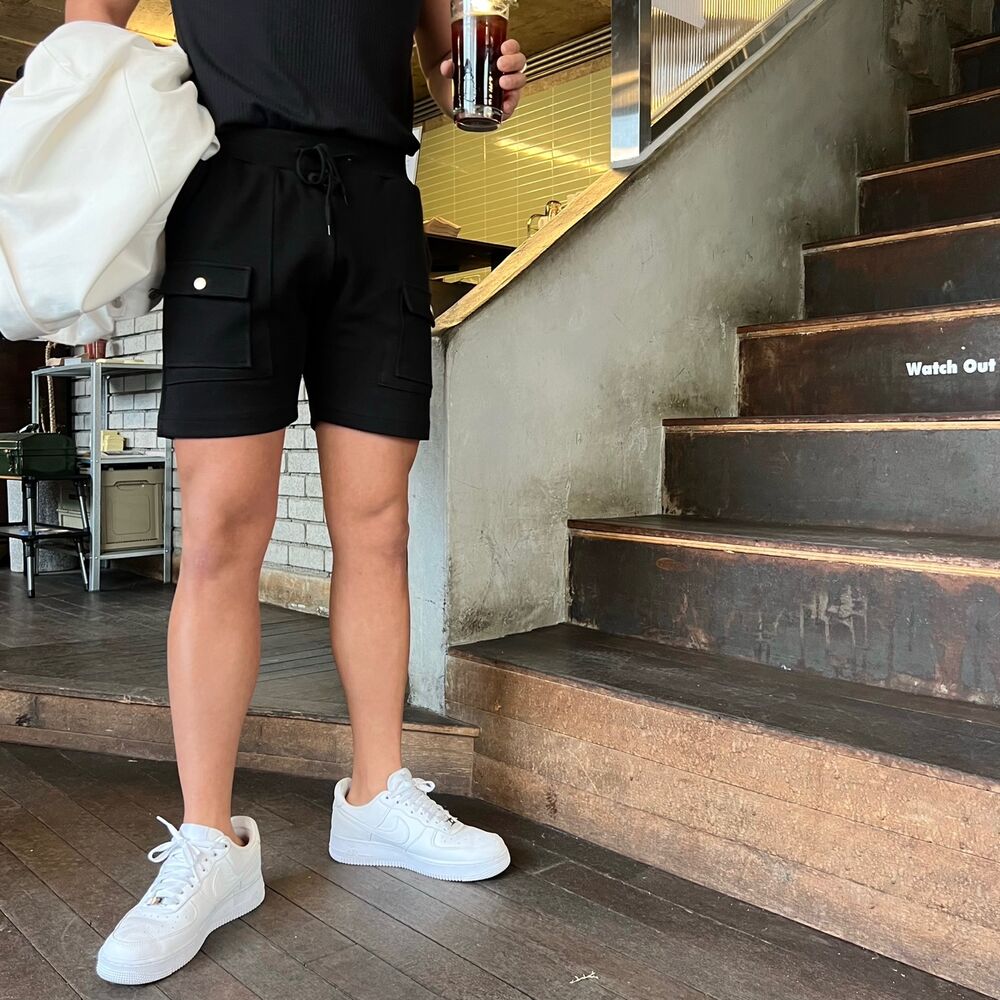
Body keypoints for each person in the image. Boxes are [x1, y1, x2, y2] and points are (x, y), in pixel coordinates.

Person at [62, 0, 528, 986]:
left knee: (380, 524)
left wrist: (475, 89)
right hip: (232, 187)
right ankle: (209, 840)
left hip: (379, 202)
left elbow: (445, 60)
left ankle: (374, 795)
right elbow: (89, 20)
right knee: (220, 529)